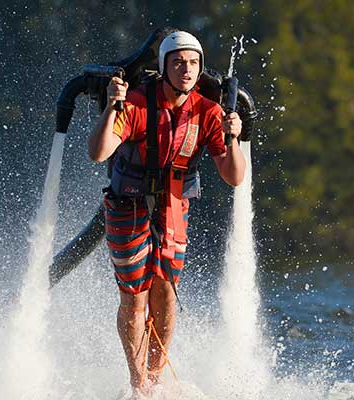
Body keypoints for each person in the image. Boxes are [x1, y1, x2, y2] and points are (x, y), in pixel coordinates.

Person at [88, 30, 245, 397]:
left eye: (192, 63)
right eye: (178, 63)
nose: (186, 70)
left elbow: (234, 177)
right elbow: (98, 153)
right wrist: (113, 106)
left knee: (166, 291)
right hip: (128, 203)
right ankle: (138, 382)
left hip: (174, 205)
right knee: (135, 295)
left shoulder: (209, 112)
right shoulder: (139, 105)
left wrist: (232, 137)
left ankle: (155, 379)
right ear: (164, 68)